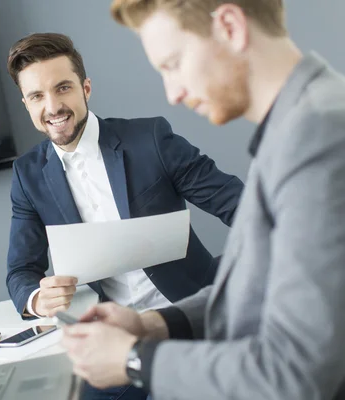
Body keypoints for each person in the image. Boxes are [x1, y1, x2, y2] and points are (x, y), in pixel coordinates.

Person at [61, 1, 345, 399]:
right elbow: (257, 287)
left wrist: (134, 359)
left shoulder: (317, 136)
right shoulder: (299, 126)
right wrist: (151, 325)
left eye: (173, 64)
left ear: (230, 26)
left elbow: (295, 372)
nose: (172, 94)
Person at [5, 33, 244, 399]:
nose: (53, 107)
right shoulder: (28, 175)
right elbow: (20, 271)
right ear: (26, 103)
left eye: (63, 88)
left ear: (86, 88)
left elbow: (237, 204)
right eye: (37, 96)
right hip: (111, 340)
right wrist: (37, 298)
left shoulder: (150, 139)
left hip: (188, 321)